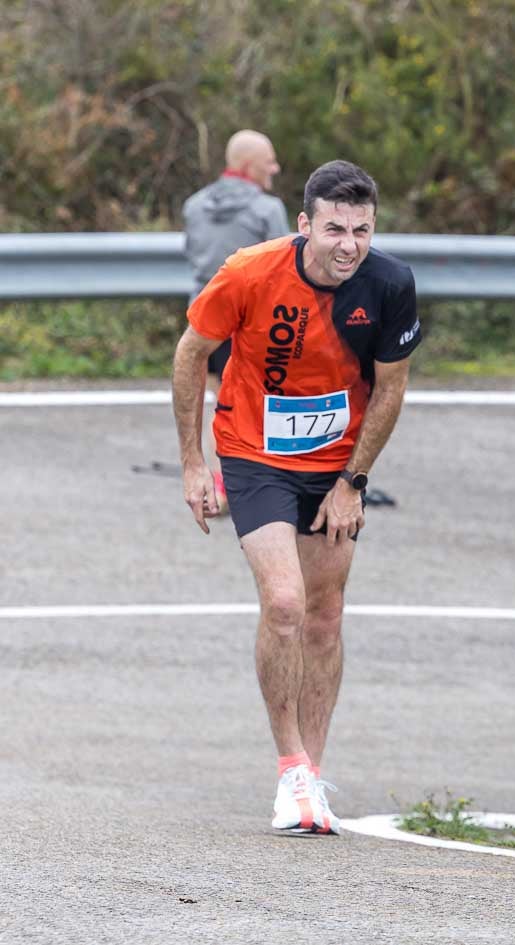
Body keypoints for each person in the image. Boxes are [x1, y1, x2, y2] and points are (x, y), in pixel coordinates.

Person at [171, 160, 421, 835]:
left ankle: (313, 769)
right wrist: (194, 462)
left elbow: (391, 387)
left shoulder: (390, 283)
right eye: (335, 228)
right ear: (303, 224)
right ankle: (290, 768)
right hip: (254, 455)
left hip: (333, 465)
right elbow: (192, 353)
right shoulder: (249, 271)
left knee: (324, 617)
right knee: (284, 602)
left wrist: (353, 482)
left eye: (362, 230)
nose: (349, 244)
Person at [182, 129, 290, 377]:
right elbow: (285, 270)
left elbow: (191, 255)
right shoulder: (268, 210)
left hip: (202, 318)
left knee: (218, 406)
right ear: (249, 166)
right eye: (269, 162)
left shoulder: (194, 206)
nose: (275, 168)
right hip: (251, 327)